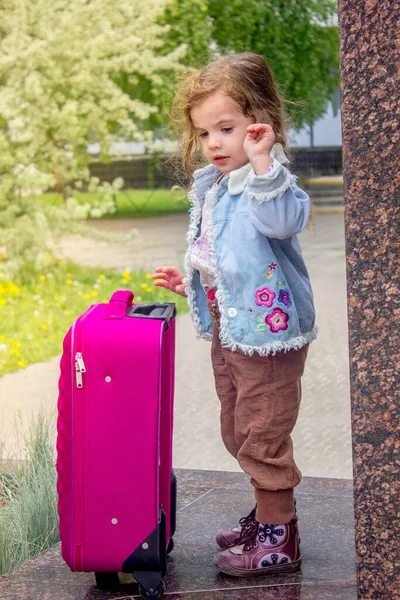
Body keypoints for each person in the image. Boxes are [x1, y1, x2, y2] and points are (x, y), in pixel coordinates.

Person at [152, 52, 317, 578]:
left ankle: (279, 534)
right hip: (232, 330)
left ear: (259, 123)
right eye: (204, 134)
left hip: (269, 337)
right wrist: (192, 281)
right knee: (240, 427)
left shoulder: (269, 182)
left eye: (226, 128)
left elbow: (283, 222)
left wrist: (266, 162)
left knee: (264, 431)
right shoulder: (219, 187)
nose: (214, 143)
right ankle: (264, 515)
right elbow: (224, 258)